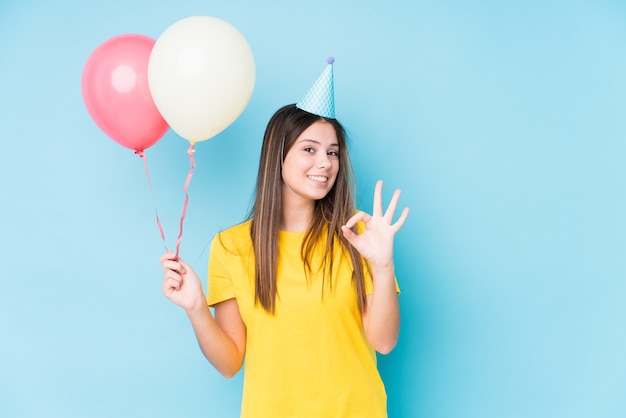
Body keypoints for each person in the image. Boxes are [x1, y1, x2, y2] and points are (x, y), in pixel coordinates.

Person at [160, 58, 409, 418]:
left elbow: (384, 343)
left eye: (332, 152)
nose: (324, 163)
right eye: (309, 149)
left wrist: (383, 266)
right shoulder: (232, 247)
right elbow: (230, 362)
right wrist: (197, 308)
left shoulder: (359, 239)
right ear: (278, 156)